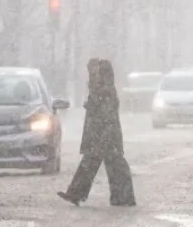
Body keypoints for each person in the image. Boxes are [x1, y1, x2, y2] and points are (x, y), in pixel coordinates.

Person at [58, 58, 136, 206]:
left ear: (102, 74)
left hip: (104, 136)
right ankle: (121, 198)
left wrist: (101, 131)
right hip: (102, 136)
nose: (91, 76)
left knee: (105, 165)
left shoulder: (105, 92)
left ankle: (122, 198)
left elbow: (106, 116)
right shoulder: (100, 90)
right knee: (103, 165)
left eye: (95, 73)